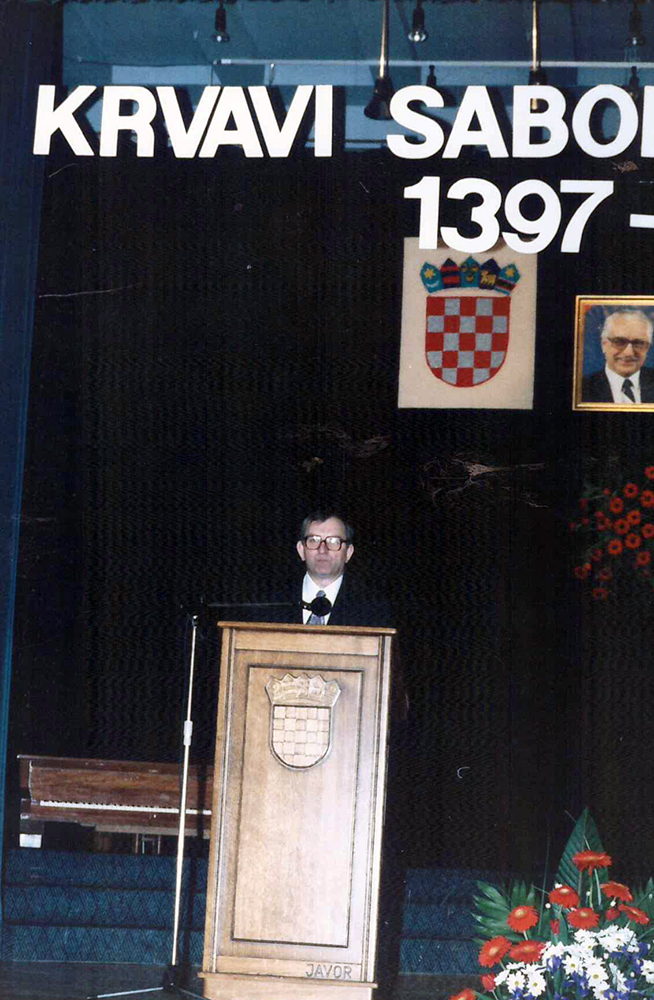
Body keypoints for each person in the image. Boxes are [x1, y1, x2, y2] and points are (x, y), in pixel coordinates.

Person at [582, 309, 654, 404]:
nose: (629, 353)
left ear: (648, 347)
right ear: (604, 344)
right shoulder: (582, 389)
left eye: (638, 343)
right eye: (619, 342)